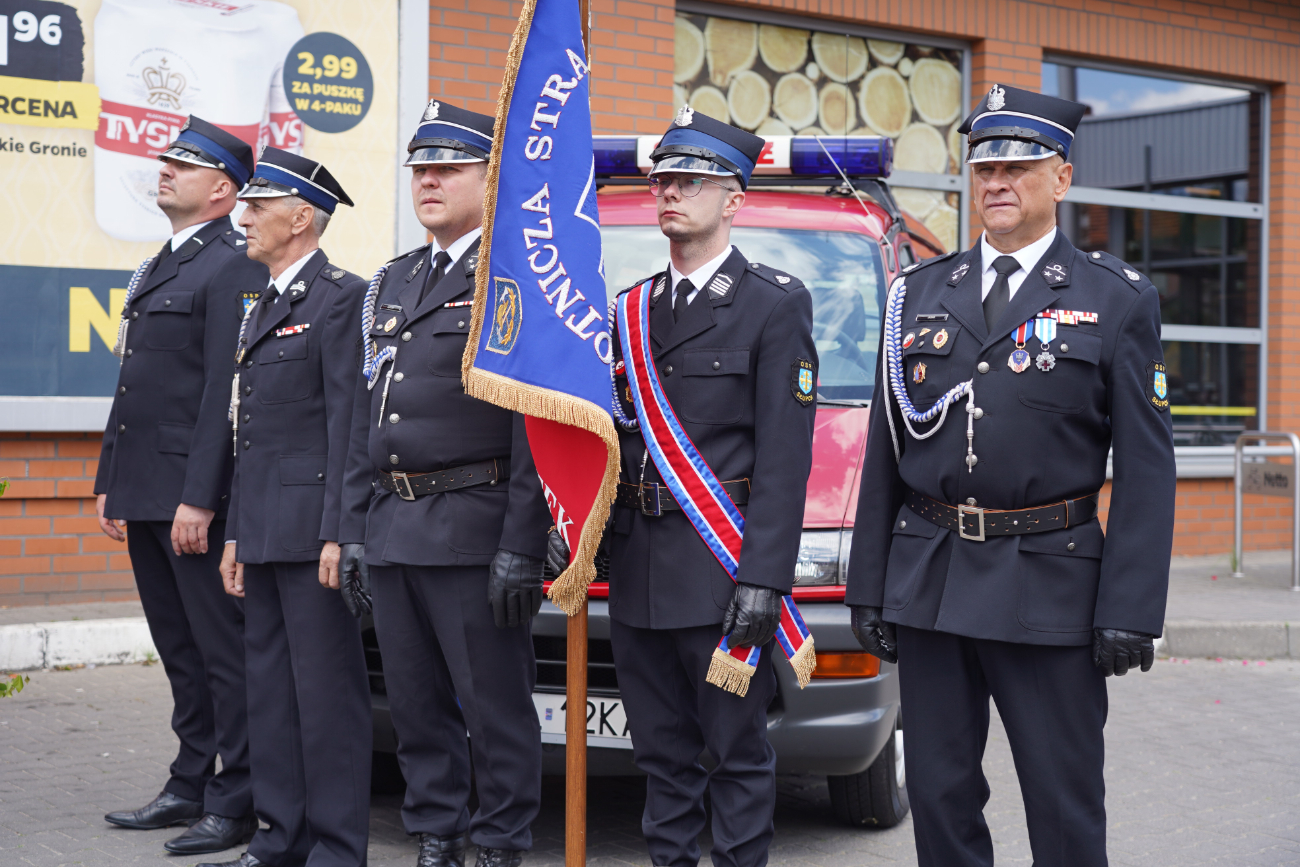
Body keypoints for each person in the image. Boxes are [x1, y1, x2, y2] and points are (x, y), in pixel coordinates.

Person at [846, 83, 1176, 867]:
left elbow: (1147, 465)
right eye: (984, 165)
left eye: (1019, 166)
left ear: (1060, 178)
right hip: (931, 579)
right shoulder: (916, 294)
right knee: (937, 795)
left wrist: (1131, 606)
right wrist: (869, 584)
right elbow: (885, 446)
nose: (996, 181)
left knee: (1062, 805)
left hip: (1049, 587)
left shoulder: (1115, 300)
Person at [335, 100, 551, 867]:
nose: (427, 180)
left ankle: (499, 837)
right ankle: (438, 829)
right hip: (395, 524)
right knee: (417, 701)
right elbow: (370, 412)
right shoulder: (395, 279)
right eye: (420, 168)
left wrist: (522, 545)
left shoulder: (515, 279)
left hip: (473, 522)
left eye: (447, 167)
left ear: (491, 180)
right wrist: (356, 530)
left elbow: (533, 425)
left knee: (492, 705)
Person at [605, 106, 818, 867]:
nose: (669, 193)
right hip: (637, 569)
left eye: (690, 181)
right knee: (659, 756)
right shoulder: (629, 309)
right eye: (663, 180)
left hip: (721, 570)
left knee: (735, 753)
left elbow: (788, 458)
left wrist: (764, 578)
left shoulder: (773, 302)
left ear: (733, 199)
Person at [95, 116, 264, 857]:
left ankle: (238, 797)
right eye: (166, 160)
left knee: (222, 653)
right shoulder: (159, 263)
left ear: (222, 189)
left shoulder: (233, 263)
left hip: (194, 498)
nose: (164, 170)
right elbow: (135, 380)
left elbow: (224, 395)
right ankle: (189, 778)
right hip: (145, 489)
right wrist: (110, 477)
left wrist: (200, 495)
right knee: (179, 649)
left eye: (184, 165)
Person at [210, 147, 372, 867]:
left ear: (300, 216)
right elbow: (254, 435)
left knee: (326, 698)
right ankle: (279, 835)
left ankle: (336, 847)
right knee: (269, 690)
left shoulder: (341, 298)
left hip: (314, 536)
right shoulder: (266, 300)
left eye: (258, 206)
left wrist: (340, 533)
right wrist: (237, 535)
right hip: (266, 529)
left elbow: (349, 430)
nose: (244, 218)